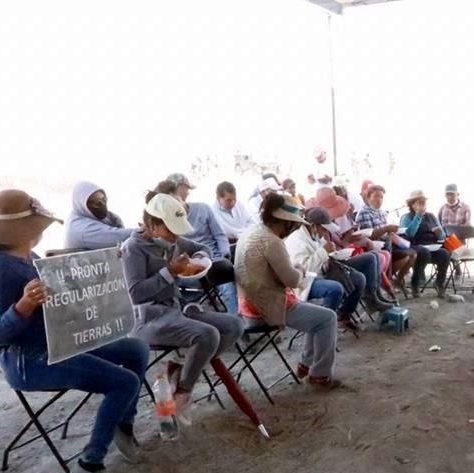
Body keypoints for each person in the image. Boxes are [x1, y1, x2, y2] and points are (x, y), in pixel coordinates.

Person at [0, 189, 149, 473]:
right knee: (124, 382)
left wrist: (102, 262)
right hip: (29, 359)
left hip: (61, 339)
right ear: (23, 228)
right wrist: (23, 306)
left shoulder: (24, 255)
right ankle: (90, 463)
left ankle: (122, 422)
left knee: (136, 349)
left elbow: (56, 274)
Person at [122, 190, 243, 427]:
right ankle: (183, 391)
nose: (176, 236)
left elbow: (202, 248)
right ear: (151, 225)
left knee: (234, 325)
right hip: (147, 318)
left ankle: (180, 371)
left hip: (175, 309)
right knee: (207, 334)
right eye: (170, 229)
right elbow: (135, 294)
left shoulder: (173, 241)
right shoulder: (133, 248)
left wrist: (199, 257)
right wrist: (170, 272)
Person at [236, 193, 342, 389]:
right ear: (284, 222)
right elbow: (292, 279)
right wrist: (300, 271)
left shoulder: (253, 232)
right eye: (293, 224)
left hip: (249, 304)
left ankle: (307, 363)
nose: (294, 228)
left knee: (317, 317)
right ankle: (320, 375)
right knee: (327, 318)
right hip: (266, 307)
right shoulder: (271, 241)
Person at [286, 205, 365, 331]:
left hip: (321, 272)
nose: (325, 233)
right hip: (305, 282)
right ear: (313, 225)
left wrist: (332, 253)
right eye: (323, 229)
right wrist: (323, 252)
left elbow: (324, 253)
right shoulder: (296, 240)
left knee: (359, 278)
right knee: (334, 288)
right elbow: (302, 270)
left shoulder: (314, 235)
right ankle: (323, 324)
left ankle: (343, 316)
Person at [165, 173, 237, 311]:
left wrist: (225, 253)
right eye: (186, 188)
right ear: (178, 188)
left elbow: (219, 235)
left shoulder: (203, 208)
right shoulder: (168, 218)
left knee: (230, 279)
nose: (188, 192)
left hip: (214, 259)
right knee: (226, 284)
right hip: (188, 268)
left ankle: (240, 321)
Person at [356, 184, 417, 292]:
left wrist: (392, 231)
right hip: (374, 246)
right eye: (376, 196)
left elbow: (386, 231)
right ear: (368, 197)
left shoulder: (381, 212)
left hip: (387, 242)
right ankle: (385, 280)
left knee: (413, 253)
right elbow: (370, 235)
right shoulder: (364, 213)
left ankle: (396, 280)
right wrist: (386, 229)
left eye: (381, 197)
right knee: (405, 256)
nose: (379, 200)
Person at [400, 190, 450, 298]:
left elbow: (442, 237)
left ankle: (439, 283)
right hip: (415, 246)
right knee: (424, 253)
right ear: (412, 204)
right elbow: (409, 234)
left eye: (424, 202)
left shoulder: (431, 216)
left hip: (432, 245)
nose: (422, 204)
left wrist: (440, 233)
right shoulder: (406, 217)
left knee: (445, 253)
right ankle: (415, 285)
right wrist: (418, 216)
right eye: (419, 202)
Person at [65, 181, 136, 250]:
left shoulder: (85, 214)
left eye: (104, 199)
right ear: (82, 204)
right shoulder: (83, 230)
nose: (102, 204)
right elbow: (119, 237)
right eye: (96, 202)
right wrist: (144, 230)